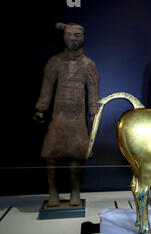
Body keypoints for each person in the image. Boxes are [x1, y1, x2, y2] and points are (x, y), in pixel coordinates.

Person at [34, 22, 99, 207]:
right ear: (64, 37)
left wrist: (94, 114)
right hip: (58, 116)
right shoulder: (55, 62)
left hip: (78, 119)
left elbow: (93, 92)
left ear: (83, 37)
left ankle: (75, 192)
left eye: (77, 35)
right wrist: (41, 109)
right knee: (52, 156)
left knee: (76, 156)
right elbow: (47, 88)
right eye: (69, 35)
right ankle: (53, 191)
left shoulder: (89, 65)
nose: (73, 39)